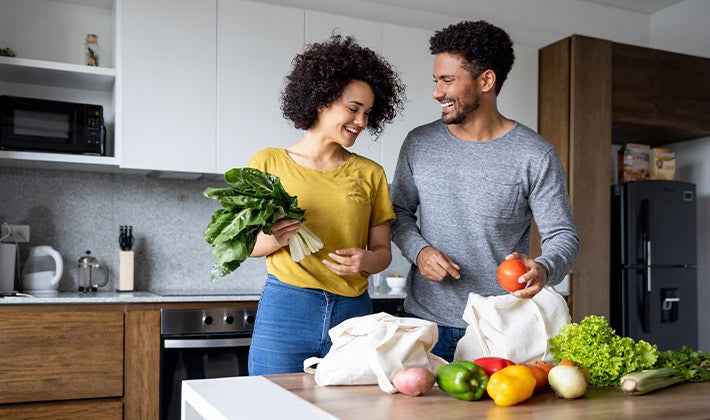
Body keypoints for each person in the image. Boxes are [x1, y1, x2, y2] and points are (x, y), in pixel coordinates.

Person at [390, 20, 580, 362]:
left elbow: (563, 235)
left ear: (486, 81)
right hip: (424, 325)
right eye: (436, 81)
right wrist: (419, 252)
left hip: (500, 329)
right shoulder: (419, 143)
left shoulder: (534, 155)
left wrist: (543, 267)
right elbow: (397, 212)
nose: (437, 92)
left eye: (447, 81)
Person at [246, 34, 405, 375]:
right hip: (286, 307)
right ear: (321, 100)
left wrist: (368, 260)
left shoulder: (370, 173)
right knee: (268, 405)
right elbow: (246, 245)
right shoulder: (268, 163)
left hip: (353, 312)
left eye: (368, 113)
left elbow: (383, 252)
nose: (361, 122)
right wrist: (279, 237)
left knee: (349, 410)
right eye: (353, 109)